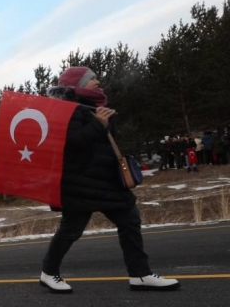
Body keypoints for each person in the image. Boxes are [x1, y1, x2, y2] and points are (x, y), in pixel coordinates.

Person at [40, 66, 180, 293]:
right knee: (71, 230)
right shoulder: (67, 110)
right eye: (91, 78)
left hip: (106, 180)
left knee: (129, 219)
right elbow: (69, 145)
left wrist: (101, 125)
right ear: (76, 84)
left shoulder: (94, 107)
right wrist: (98, 125)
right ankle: (48, 272)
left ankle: (140, 275)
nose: (97, 81)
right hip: (80, 183)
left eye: (96, 77)